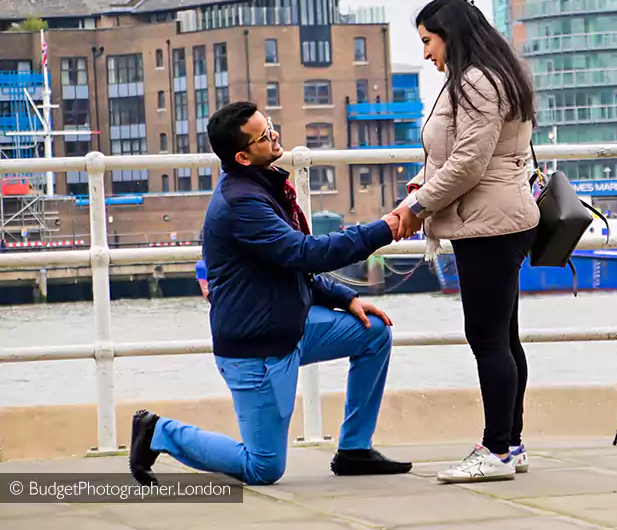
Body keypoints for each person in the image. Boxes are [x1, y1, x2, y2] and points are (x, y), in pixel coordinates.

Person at [128, 101, 412, 487]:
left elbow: (291, 268)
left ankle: (354, 451)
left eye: (270, 125)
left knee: (374, 333)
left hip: (291, 328)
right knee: (263, 467)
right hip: (256, 350)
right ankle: (157, 432)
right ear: (243, 156)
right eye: (264, 135)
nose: (274, 135)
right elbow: (303, 252)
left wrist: (343, 298)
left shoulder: (266, 185)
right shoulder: (242, 203)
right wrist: (385, 228)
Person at [391, 0, 540, 484]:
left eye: (428, 41)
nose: (427, 54)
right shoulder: (499, 72)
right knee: (504, 337)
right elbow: (465, 156)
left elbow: (470, 164)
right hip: (497, 217)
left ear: (450, 34)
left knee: (488, 339)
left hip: (488, 225)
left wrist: (416, 207)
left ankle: (496, 449)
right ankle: (510, 444)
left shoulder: (476, 81)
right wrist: (423, 183)